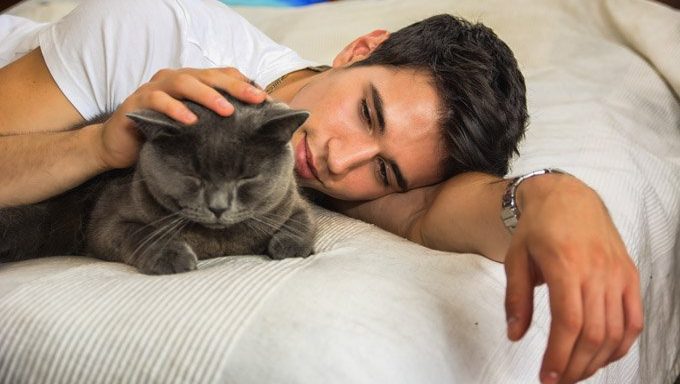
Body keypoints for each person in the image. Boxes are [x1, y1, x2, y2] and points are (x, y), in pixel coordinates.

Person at [0, 0, 642, 383]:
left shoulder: (344, 173)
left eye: (384, 172)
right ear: (359, 49)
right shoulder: (152, 28)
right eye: (367, 112)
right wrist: (95, 146)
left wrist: (561, 198)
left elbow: (440, 210)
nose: (340, 161)